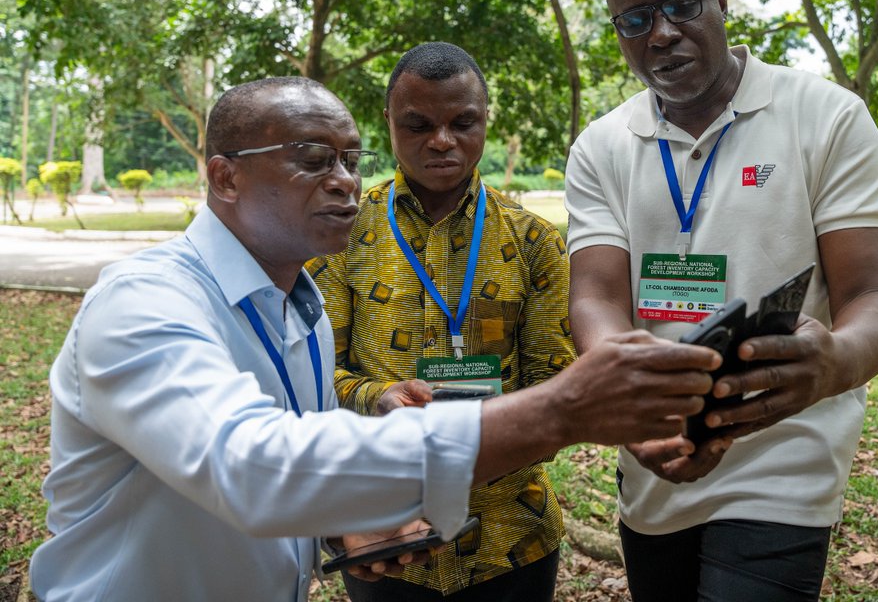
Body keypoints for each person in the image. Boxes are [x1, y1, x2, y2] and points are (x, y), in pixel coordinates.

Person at [29, 76, 719, 602]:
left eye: (350, 159)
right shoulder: (145, 300)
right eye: (312, 158)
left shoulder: (298, 310)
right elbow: (247, 466)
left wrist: (339, 526)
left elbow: (290, 469)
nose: (344, 182)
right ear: (225, 174)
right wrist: (562, 409)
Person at [565, 0, 878, 602]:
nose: (660, 34)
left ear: (721, 1)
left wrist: (836, 360)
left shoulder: (825, 117)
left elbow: (873, 294)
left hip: (785, 446)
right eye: (635, 21)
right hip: (660, 449)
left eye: (681, 6)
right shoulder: (601, 147)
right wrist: (632, 401)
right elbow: (596, 298)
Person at [309, 42, 573, 600]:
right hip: (387, 537)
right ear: (389, 123)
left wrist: (479, 445)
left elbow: (559, 385)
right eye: (419, 124)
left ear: (485, 120)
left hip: (512, 539)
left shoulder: (534, 243)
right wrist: (376, 396)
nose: (443, 140)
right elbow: (310, 374)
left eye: (463, 122)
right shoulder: (342, 237)